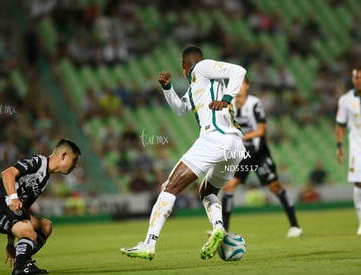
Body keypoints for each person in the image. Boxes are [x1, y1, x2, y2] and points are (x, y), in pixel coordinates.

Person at [120, 46, 246, 260]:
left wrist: (226, 98)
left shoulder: (202, 68)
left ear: (184, 66)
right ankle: (218, 228)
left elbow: (239, 71)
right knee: (207, 192)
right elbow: (180, 108)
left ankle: (149, 244)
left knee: (169, 187)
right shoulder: (195, 87)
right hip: (235, 145)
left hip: (214, 137)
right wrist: (168, 88)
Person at [219, 78, 303, 238]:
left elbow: (261, 130)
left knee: (274, 187)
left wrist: (241, 137)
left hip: (259, 153)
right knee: (229, 186)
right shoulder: (229, 106)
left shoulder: (254, 103)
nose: (238, 87)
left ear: (247, 86)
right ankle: (223, 230)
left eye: (241, 84)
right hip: (242, 153)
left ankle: (295, 225)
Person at [0, 138, 81, 274]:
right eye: (74, 160)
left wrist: (11, 243)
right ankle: (22, 267)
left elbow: (20, 211)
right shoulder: (38, 162)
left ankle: (22, 260)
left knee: (45, 226)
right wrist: (13, 197)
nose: (75, 165)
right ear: (64, 156)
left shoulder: (45, 178)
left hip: (9, 210)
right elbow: (7, 173)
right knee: (28, 230)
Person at [336, 65, 361, 235]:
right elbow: (340, 124)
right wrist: (339, 146)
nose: (357, 81)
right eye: (355, 77)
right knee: (358, 182)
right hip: (357, 146)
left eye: (359, 77)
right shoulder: (345, 100)